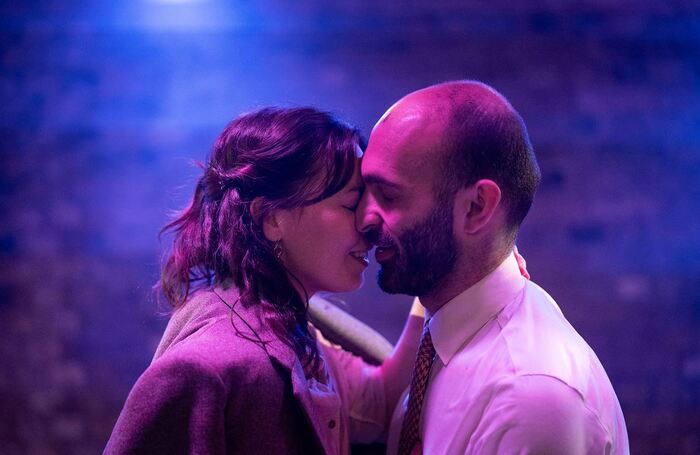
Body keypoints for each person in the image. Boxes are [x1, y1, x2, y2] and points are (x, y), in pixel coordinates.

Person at [104, 107, 425, 454]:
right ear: (271, 219)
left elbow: (383, 401)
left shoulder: (292, 332)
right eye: (351, 205)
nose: (367, 222)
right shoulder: (208, 366)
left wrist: (436, 263)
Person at [355, 81, 630, 454]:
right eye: (361, 193)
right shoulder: (449, 328)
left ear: (477, 208)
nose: (363, 219)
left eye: (387, 196)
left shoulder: (531, 398)